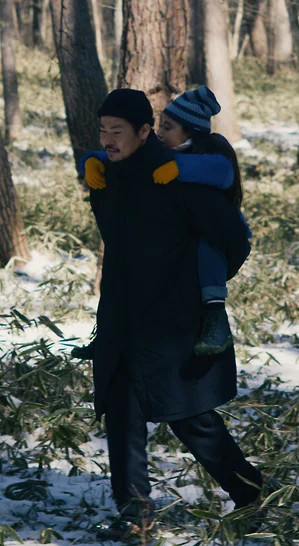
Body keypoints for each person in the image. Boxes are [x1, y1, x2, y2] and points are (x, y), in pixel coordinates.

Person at [83, 88, 264, 539]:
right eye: (103, 131)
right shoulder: (105, 177)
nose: (107, 140)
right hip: (122, 318)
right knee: (122, 414)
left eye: (117, 131)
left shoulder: (175, 178)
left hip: (173, 324)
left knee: (190, 417)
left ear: (145, 132)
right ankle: (135, 515)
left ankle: (251, 491)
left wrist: (199, 288)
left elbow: (234, 238)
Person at [78, 86, 246, 356]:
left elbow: (223, 175)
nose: (161, 133)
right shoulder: (130, 168)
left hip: (187, 301)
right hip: (129, 311)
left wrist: (181, 168)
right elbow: (112, 156)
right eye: (103, 131)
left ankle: (216, 316)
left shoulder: (199, 165)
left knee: (208, 254)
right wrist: (89, 161)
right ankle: (108, 335)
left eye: (168, 127)